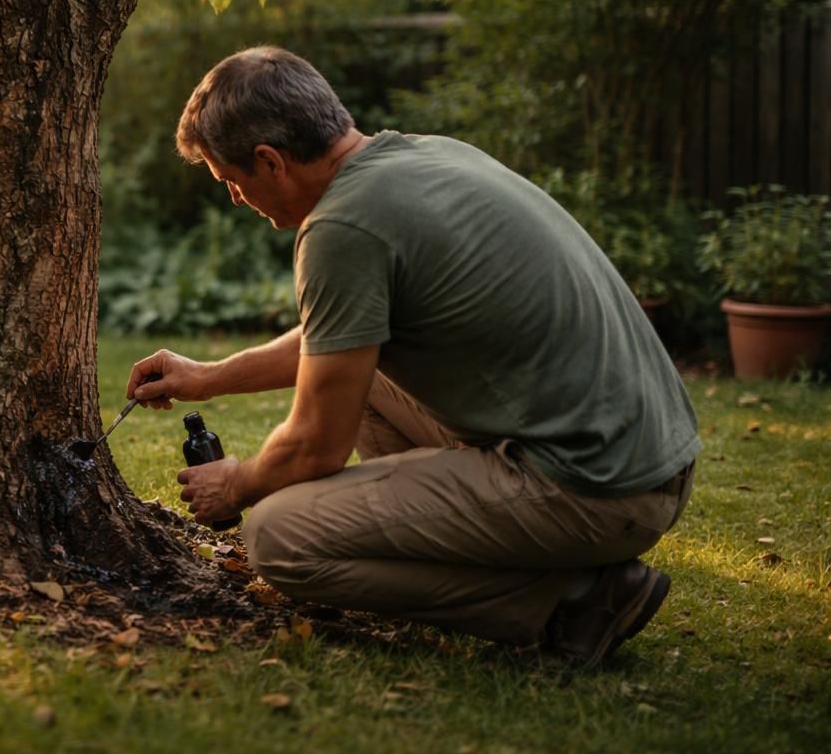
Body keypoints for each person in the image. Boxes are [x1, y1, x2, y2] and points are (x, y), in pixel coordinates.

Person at [127, 45, 700, 667]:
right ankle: (486, 552)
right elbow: (340, 339)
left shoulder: (343, 228)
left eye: (232, 183)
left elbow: (317, 443)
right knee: (362, 381)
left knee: (279, 537)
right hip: (643, 459)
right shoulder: (427, 156)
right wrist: (208, 378)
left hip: (597, 488)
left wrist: (235, 484)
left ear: (270, 161)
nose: (238, 200)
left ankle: (572, 601)